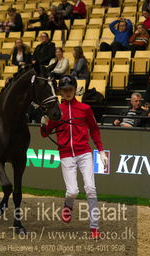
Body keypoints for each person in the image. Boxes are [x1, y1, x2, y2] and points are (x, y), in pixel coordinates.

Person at [40, 75, 108, 239]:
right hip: (65, 154)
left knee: (91, 189)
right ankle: (68, 206)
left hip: (84, 153)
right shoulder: (57, 111)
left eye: (70, 89)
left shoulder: (85, 109)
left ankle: (94, 228)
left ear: (75, 90)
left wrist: (101, 150)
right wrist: (43, 123)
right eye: (65, 90)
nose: (68, 92)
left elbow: (94, 130)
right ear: (61, 92)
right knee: (72, 192)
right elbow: (45, 134)